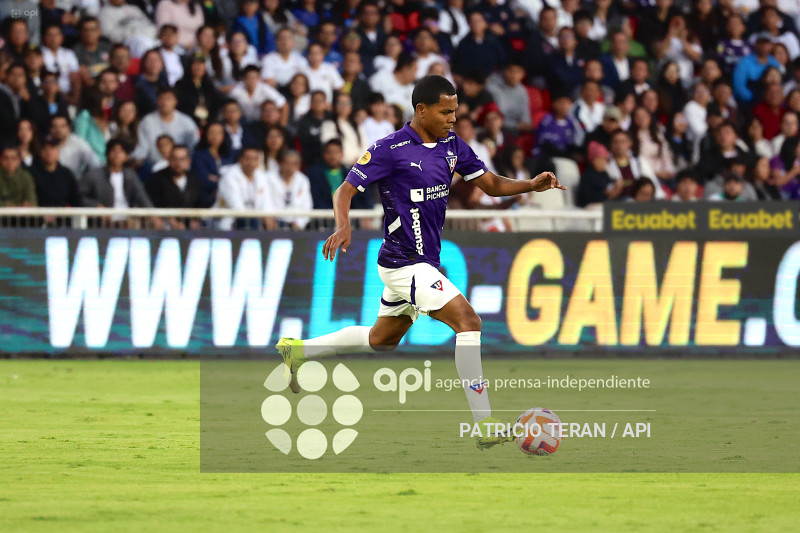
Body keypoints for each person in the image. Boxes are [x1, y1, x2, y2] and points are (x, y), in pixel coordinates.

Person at [274, 75, 565, 450]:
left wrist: (530, 184)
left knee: (382, 340)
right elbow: (344, 189)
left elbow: (489, 183)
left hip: (422, 261)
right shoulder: (389, 148)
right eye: (446, 112)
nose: (452, 119)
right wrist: (343, 225)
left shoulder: (452, 146)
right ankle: (485, 425)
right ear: (421, 109)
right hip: (403, 263)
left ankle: (297, 350)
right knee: (469, 321)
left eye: (456, 111)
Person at [215, 145, 278, 230]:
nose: (251, 163)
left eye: (254, 159)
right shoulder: (230, 176)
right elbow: (236, 206)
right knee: (251, 222)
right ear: (240, 159)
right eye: (247, 159)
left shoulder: (261, 176)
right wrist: (259, 217)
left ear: (259, 161)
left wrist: (268, 217)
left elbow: (267, 201)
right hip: (230, 222)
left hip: (256, 221)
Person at [133, 87, 200, 166]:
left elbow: (193, 146)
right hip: (153, 164)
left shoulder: (187, 122)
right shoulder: (147, 121)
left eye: (168, 99)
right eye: (161, 99)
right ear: (157, 101)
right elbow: (142, 147)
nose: (164, 102)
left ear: (175, 101)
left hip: (180, 165)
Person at [80, 139, 153, 209]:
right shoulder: (94, 175)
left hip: (126, 218)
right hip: (103, 219)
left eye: (121, 151)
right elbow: (80, 196)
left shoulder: (131, 175)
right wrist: (96, 206)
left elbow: (141, 197)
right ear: (107, 153)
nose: (117, 154)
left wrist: (153, 215)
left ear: (127, 157)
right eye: (113, 151)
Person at [29, 136, 82, 207]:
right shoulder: (32, 173)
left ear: (58, 152)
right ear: (41, 152)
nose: (49, 152)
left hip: (63, 216)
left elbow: (76, 199)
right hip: (39, 215)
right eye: (45, 149)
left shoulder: (66, 174)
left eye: (53, 148)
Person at [266, 149, 313, 230]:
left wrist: (299, 224)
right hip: (275, 223)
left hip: (296, 226)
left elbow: (307, 205)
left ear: (299, 166)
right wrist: (270, 219)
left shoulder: (303, 180)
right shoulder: (268, 178)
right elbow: (265, 202)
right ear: (280, 163)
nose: (290, 167)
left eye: (294, 164)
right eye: (287, 163)